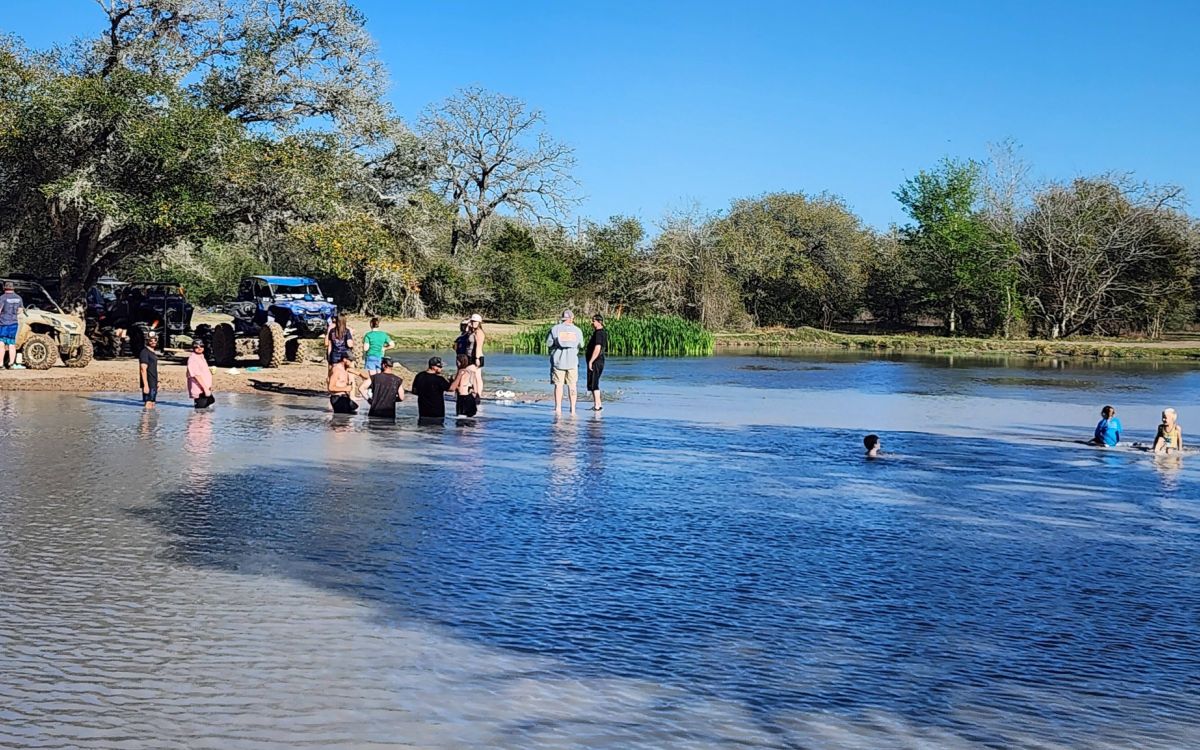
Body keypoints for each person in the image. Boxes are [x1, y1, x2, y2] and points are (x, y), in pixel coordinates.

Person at [546, 310, 585, 414]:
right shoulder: (577, 330)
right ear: (572, 318)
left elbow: (549, 343)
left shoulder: (555, 329)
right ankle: (572, 409)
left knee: (558, 385)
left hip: (558, 361)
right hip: (572, 362)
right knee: (572, 385)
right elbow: (581, 345)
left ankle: (558, 408)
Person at [411, 356, 451, 424]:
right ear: (433, 367)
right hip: (437, 413)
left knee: (423, 432)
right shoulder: (439, 379)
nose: (441, 369)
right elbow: (450, 389)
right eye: (440, 367)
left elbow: (414, 391)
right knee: (437, 432)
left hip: (423, 411)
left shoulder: (419, 376)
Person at [0, 280, 24, 369]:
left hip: (3, 323)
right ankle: (11, 363)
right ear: (13, 288)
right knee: (11, 343)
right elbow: (20, 310)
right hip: (14, 323)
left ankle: (1, 364)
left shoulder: (2, 298)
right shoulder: (19, 298)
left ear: (4, 288)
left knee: (1, 343)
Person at [585, 313, 608, 411]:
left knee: (594, 382)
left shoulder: (599, 333)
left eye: (593, 321)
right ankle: (597, 404)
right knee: (593, 382)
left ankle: (597, 405)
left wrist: (591, 361)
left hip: (596, 360)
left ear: (599, 322)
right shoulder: (600, 332)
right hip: (598, 360)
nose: (592, 322)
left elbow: (598, 347)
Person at [186, 339, 215, 409]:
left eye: (201, 346)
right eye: (196, 347)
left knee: (210, 401)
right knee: (200, 411)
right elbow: (196, 375)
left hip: (205, 388)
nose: (199, 348)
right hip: (200, 391)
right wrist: (205, 389)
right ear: (193, 348)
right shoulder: (193, 359)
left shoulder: (201, 356)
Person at [448, 353, 479, 418]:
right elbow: (476, 390)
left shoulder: (460, 372)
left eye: (457, 361)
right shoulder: (472, 373)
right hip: (470, 398)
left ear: (459, 362)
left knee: (461, 421)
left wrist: (451, 381)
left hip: (462, 398)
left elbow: (460, 388)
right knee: (471, 422)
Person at [139, 332, 159, 409]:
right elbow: (143, 370)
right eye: (151, 340)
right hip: (148, 382)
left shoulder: (153, 352)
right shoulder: (144, 352)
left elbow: (153, 368)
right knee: (148, 404)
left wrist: (157, 382)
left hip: (153, 382)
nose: (153, 342)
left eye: (155, 340)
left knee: (153, 403)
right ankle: (145, 420)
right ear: (147, 341)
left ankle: (152, 421)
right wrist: (145, 385)